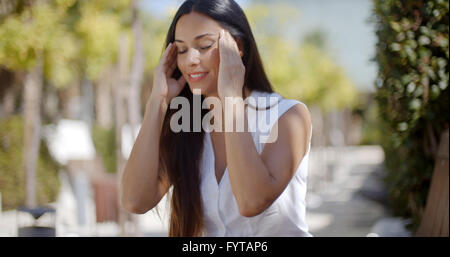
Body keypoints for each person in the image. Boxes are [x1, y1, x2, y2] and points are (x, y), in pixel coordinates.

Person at [120, 0, 313, 237]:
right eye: (181, 49)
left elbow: (251, 201)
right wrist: (156, 103)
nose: (190, 59)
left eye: (204, 45)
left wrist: (231, 96)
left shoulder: (287, 116)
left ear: (238, 47)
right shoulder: (188, 124)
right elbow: (134, 201)